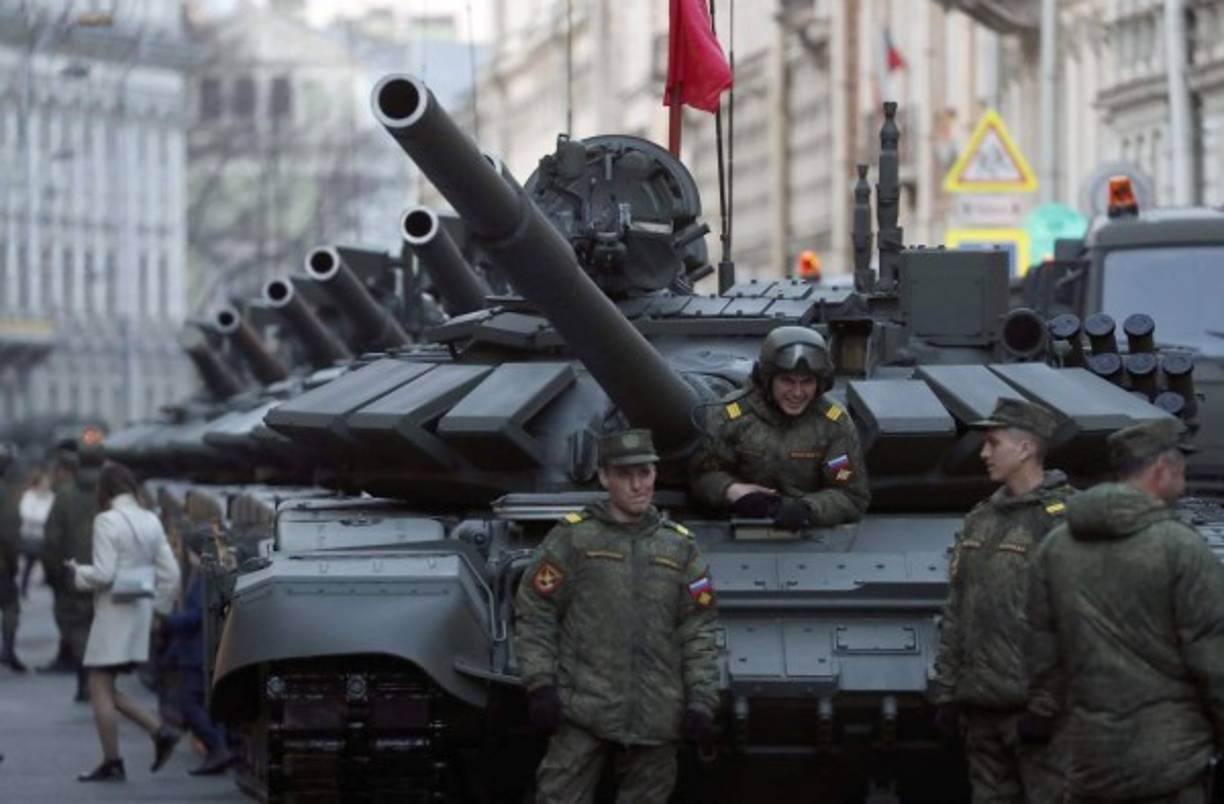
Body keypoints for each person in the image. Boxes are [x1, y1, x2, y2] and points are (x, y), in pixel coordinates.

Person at [515, 428, 720, 803]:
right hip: (583, 711)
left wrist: (701, 700)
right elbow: (536, 609)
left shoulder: (680, 546)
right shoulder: (574, 539)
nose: (638, 485)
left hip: (657, 717)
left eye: (645, 473)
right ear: (605, 477)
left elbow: (699, 629)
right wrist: (540, 684)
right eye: (626, 475)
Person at [1025, 419, 1222, 803]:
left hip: (1088, 763)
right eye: (1181, 463)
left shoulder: (1056, 546)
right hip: (1170, 762)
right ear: (1163, 469)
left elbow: (1042, 659)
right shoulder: (1181, 548)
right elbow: (1215, 660)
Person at [930, 398, 1073, 803]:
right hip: (982, 712)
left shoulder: (1062, 520)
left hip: (1039, 717)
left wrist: (1047, 707)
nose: (983, 453)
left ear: (1025, 448)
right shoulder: (981, 519)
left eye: (993, 443)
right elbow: (958, 606)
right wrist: (948, 692)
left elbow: (1077, 620)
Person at [690, 326, 869, 530]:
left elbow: (850, 493)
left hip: (810, 534)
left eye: (807, 382)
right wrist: (731, 490)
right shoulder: (732, 416)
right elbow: (704, 475)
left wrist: (808, 508)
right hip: (739, 528)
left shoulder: (832, 424)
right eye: (787, 381)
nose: (797, 393)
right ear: (767, 379)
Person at [71, 461, 182, 783]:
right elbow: (172, 574)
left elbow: (104, 574)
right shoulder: (150, 519)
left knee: (98, 686)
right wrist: (157, 609)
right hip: (139, 612)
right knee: (106, 687)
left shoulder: (106, 521)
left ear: (104, 490)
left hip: (112, 615)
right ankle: (156, 734)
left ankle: (116, 758)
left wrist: (79, 573)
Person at [160, 524, 233, 776]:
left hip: (196, 653)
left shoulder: (203, 577)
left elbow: (194, 616)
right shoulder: (216, 572)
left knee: (189, 703)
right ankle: (219, 749)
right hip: (204, 651)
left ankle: (218, 747)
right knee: (208, 704)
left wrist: (167, 621)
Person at [41, 446, 102, 700]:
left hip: (72, 573)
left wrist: (54, 573)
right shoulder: (108, 492)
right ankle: (100, 682)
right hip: (106, 573)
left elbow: (52, 538)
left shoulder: (64, 494)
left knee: (76, 627)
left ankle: (85, 681)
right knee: (101, 625)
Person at [0, 443, 24, 673]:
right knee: (10, 606)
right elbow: (9, 531)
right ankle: (8, 649)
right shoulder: (4, 492)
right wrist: (13, 561)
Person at [17, 466, 54, 598]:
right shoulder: (29, 496)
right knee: (30, 563)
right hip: (32, 536)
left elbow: (54, 514)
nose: (46, 485)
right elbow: (25, 513)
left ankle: (50, 585)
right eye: (43, 482)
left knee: (49, 562)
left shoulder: (51, 497)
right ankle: (24, 588)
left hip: (46, 536)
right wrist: (42, 520)